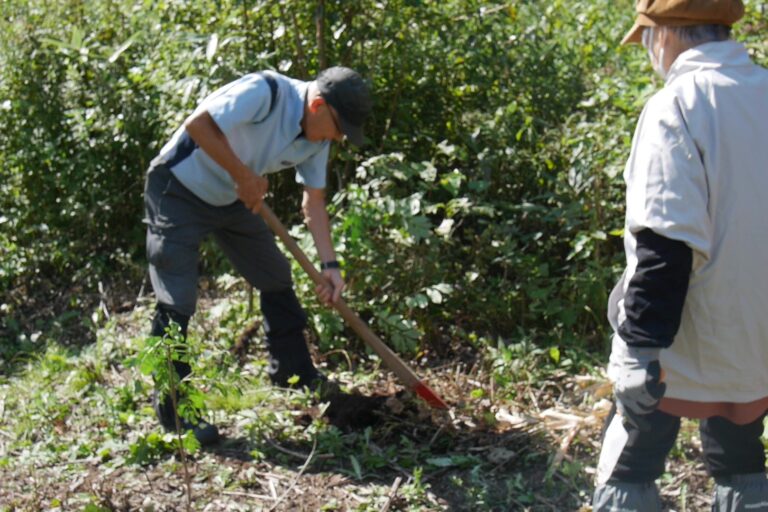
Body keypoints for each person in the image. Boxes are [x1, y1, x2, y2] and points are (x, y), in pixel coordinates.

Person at [593, 1, 768, 510]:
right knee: (740, 454)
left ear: (665, 34)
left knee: (630, 462)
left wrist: (638, 351)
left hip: (684, 337)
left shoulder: (677, 105)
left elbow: (666, 244)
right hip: (758, 338)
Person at [142, 67, 372, 445]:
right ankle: (175, 408)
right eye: (337, 128)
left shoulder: (317, 139)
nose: (337, 137)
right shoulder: (266, 93)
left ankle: (293, 371)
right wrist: (242, 174)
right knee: (177, 297)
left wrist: (330, 266)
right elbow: (198, 125)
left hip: (231, 198)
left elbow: (313, 202)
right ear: (317, 105)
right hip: (178, 186)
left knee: (275, 275)